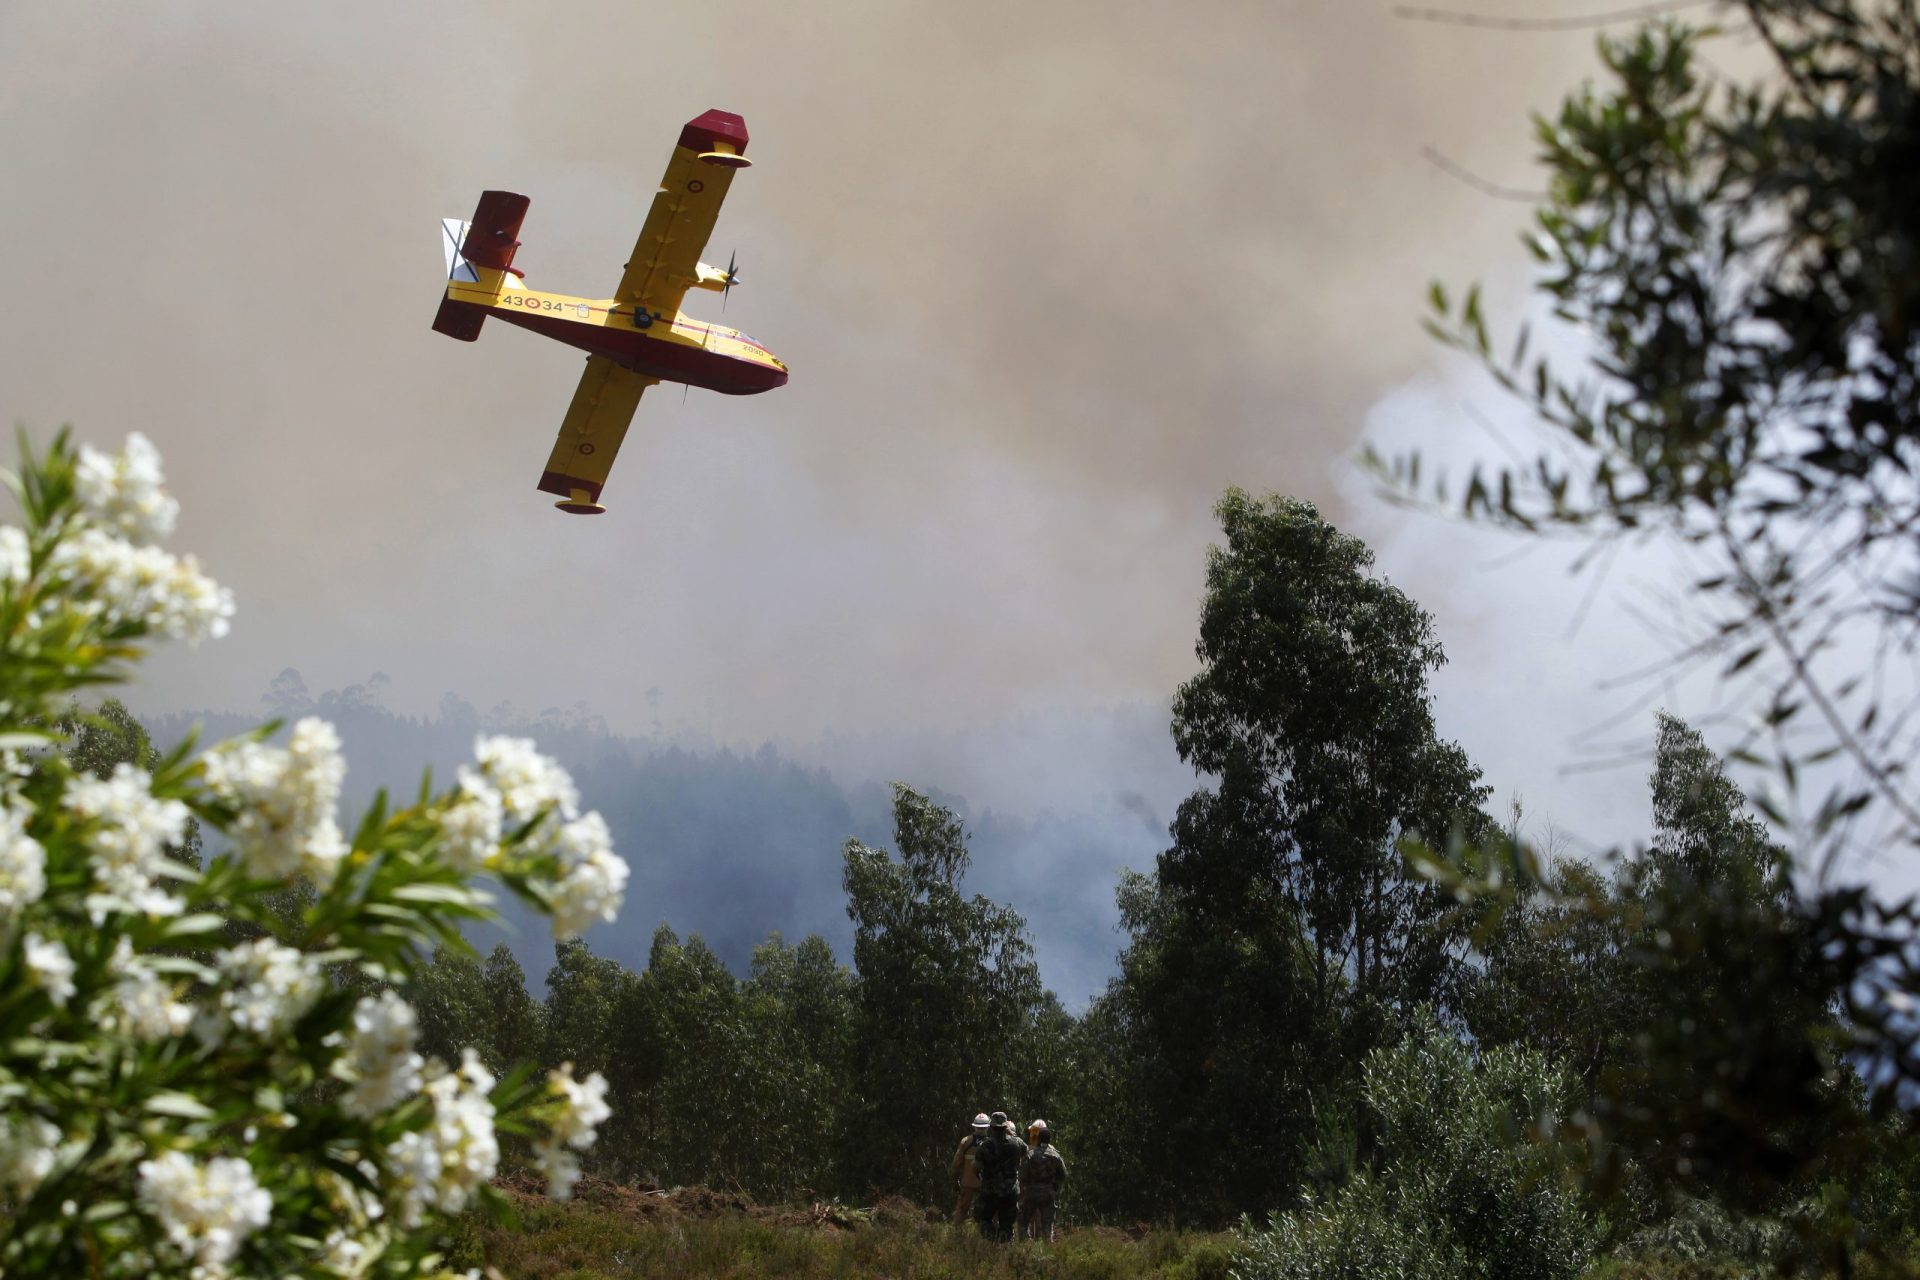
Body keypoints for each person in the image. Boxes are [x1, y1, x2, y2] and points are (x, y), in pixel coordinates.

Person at [970, 1109, 1027, 1241]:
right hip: (1010, 1190)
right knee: (1007, 1225)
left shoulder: (985, 1145)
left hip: (990, 1191)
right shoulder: (1017, 1143)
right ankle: (1005, 1251)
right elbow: (1025, 1153)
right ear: (1006, 1127)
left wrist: (981, 1177)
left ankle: (990, 1248)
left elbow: (976, 1168)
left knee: (985, 1220)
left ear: (991, 1127)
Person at [1016, 1119, 1066, 1242]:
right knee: (1047, 1224)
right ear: (1049, 1140)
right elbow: (1063, 1175)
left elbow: (1022, 1175)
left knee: (1023, 1221)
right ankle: (1047, 1246)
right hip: (1048, 1193)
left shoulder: (1030, 1154)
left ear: (1038, 1139)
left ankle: (1024, 1245)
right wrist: (1054, 1185)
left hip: (1031, 1192)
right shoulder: (1055, 1155)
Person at [949, 1112, 989, 1225]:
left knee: (961, 1211)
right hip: (984, 1185)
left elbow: (956, 1164)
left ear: (975, 1126)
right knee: (985, 1213)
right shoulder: (991, 1144)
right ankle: (982, 1239)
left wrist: (954, 1180)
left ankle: (955, 1236)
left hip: (967, 1183)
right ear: (987, 1127)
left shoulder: (966, 1141)